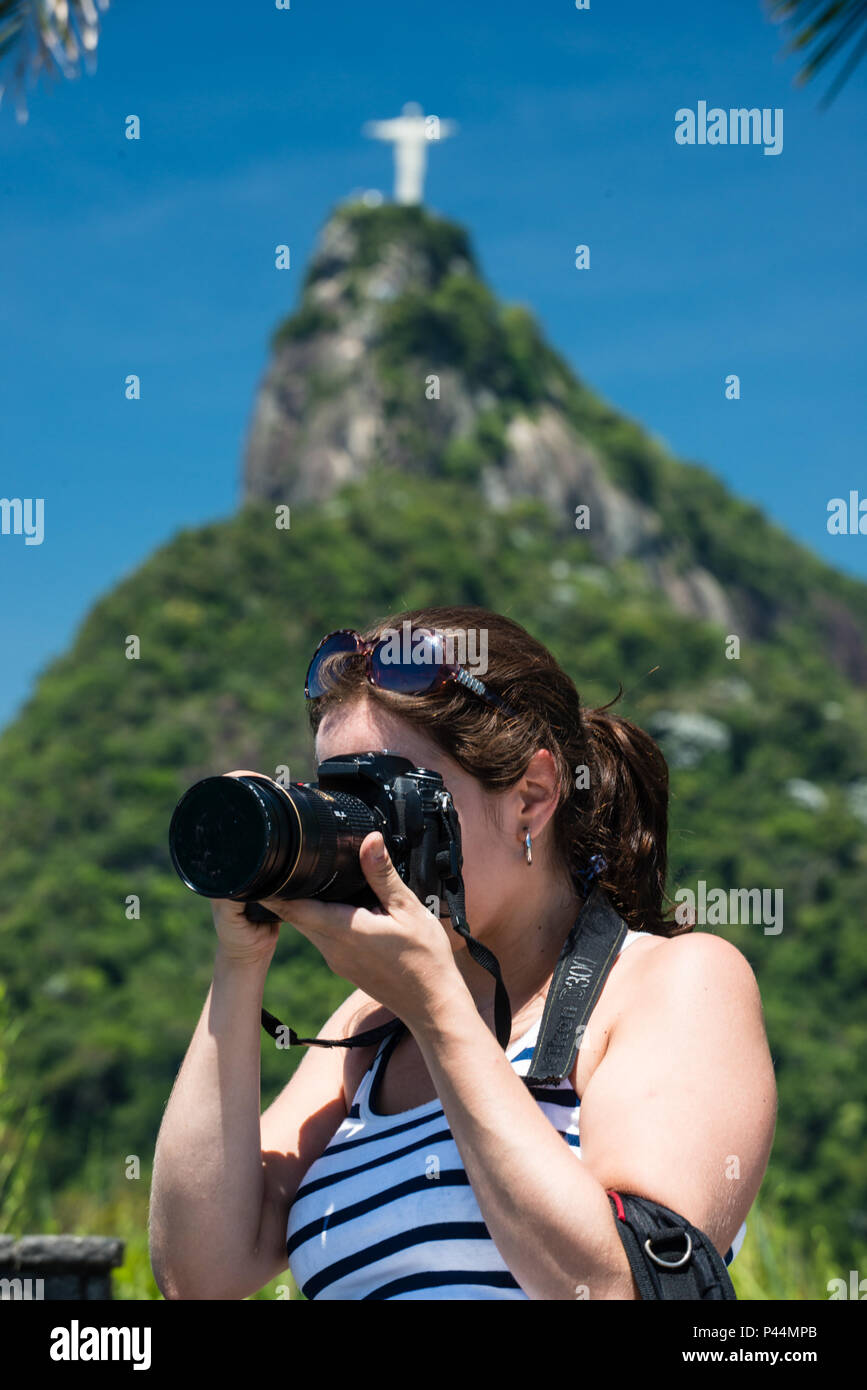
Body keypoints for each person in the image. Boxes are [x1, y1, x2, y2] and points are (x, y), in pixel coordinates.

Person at [149, 605, 777, 1300]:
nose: (366, 839)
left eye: (391, 799)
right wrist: (240, 963)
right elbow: (198, 1276)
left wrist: (439, 1014)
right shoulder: (369, 1028)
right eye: (339, 798)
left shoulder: (671, 982)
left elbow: (629, 1288)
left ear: (531, 799)